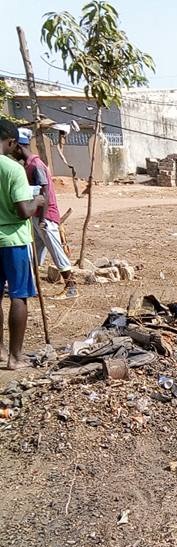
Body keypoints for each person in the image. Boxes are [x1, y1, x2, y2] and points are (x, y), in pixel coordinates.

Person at [0, 120, 47, 370]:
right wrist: (37, 201)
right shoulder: (12, 169)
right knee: (19, 297)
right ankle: (15, 358)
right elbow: (22, 211)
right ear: (10, 141)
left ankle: (0, 350)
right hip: (13, 241)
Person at [14, 128, 76, 299]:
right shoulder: (28, 165)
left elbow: (45, 192)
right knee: (34, 255)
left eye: (13, 148)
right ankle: (31, 286)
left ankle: (71, 287)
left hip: (45, 217)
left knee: (56, 252)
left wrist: (42, 219)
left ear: (19, 146)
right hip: (37, 216)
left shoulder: (36, 165)